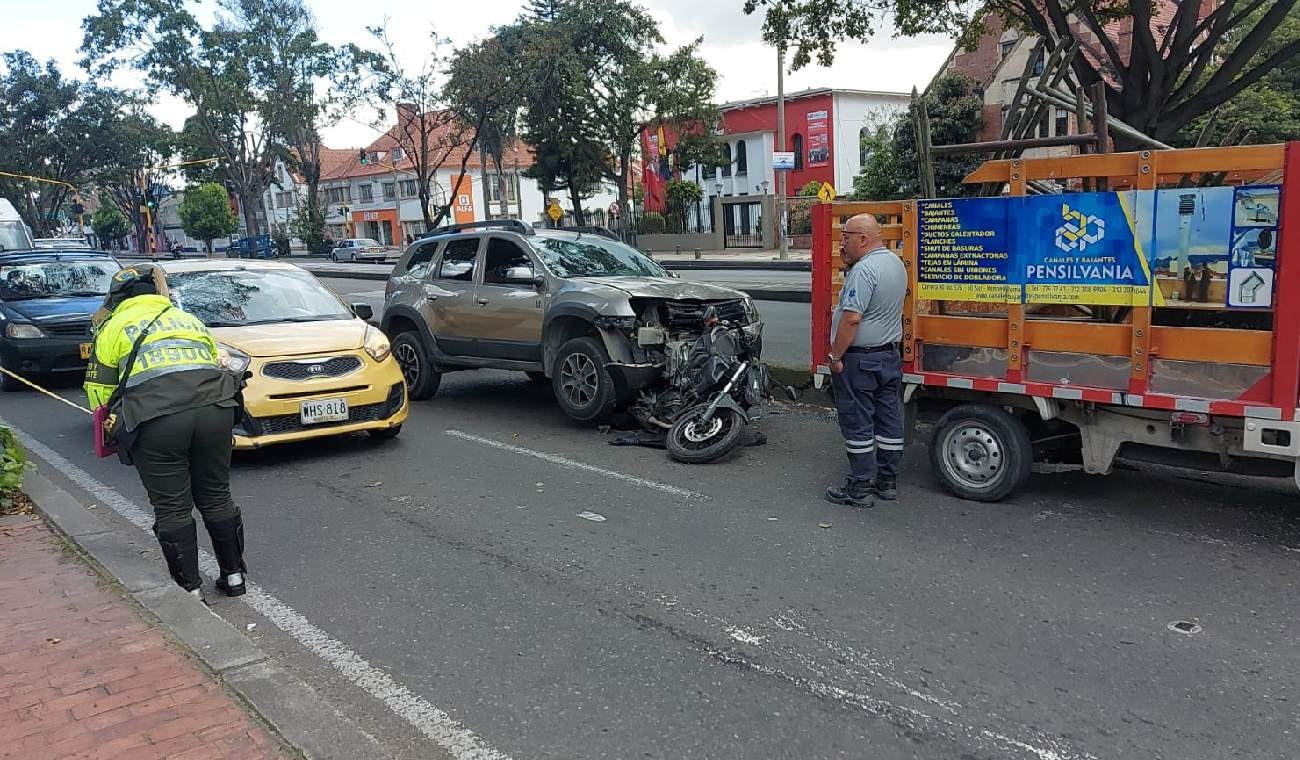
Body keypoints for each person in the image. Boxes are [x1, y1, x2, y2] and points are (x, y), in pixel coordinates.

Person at [84, 264, 248, 600]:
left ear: (115, 298)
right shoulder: (187, 320)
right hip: (214, 409)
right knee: (216, 496)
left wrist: (112, 426)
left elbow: (99, 391)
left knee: (172, 508)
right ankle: (234, 577)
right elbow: (215, 360)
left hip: (156, 419)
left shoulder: (113, 327)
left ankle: (190, 591)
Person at [825, 214, 908, 509]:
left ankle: (859, 487)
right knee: (888, 421)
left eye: (846, 236)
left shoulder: (864, 271)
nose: (843, 242)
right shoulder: (896, 264)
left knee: (857, 423)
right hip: (888, 356)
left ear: (862, 238)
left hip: (860, 362)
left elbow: (852, 318)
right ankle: (887, 481)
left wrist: (835, 356)